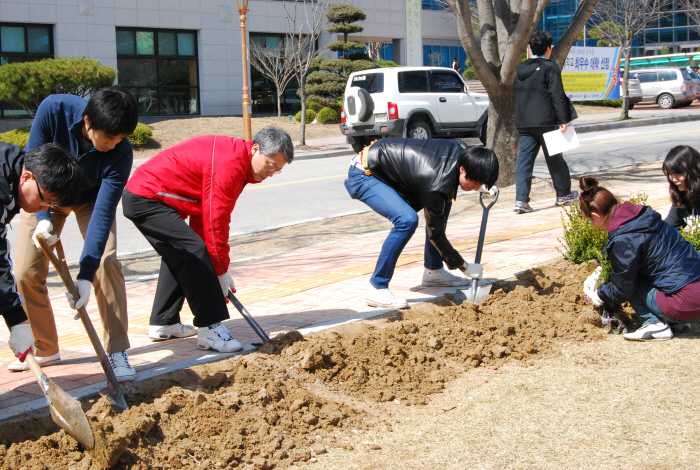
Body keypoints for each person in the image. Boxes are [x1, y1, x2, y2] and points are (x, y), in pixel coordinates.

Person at [122, 127, 294, 352]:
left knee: (181, 252)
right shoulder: (230, 163)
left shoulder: (239, 162)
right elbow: (216, 221)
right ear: (256, 149)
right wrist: (220, 271)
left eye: (277, 170)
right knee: (194, 252)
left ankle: (164, 322)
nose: (270, 173)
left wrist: (218, 267)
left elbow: (204, 217)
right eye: (271, 165)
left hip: (152, 196)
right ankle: (209, 329)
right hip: (147, 197)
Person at [10, 89, 139, 382]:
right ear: (87, 121)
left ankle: (117, 350)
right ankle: (46, 347)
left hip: (90, 200)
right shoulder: (53, 110)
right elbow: (31, 166)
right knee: (25, 271)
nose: (113, 145)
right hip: (47, 195)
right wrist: (43, 219)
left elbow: (104, 212)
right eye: (108, 138)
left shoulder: (121, 152)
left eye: (120, 139)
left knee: (105, 262)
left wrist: (85, 274)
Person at [344, 138, 499, 309]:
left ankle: (433, 271)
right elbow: (436, 234)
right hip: (365, 173)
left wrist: (484, 184)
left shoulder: (463, 152)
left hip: (392, 165)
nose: (476, 188)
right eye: (475, 183)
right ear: (462, 169)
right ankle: (377, 287)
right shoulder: (437, 182)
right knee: (406, 220)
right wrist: (464, 266)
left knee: (443, 202)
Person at [580, 176, 700, 341]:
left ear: (596, 215)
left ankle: (654, 324)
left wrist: (599, 295)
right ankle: (674, 322)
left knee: (629, 279)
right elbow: (621, 247)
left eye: (590, 220)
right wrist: (599, 269)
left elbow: (621, 288)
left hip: (683, 303)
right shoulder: (642, 217)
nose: (592, 225)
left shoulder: (624, 239)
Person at [0, 142, 82, 367]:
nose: (44, 207)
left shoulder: (12, 169)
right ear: (26, 178)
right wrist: (17, 320)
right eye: (45, 199)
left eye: (51, 204)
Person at [513, 31, 578, 214]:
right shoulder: (551, 67)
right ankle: (563, 194)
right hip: (547, 122)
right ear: (548, 48)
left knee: (524, 162)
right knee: (555, 160)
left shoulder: (520, 71)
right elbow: (556, 94)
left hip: (524, 123)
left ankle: (521, 201)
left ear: (530, 49)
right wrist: (564, 119)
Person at [662, 145, 700, 230]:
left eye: (678, 174)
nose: (674, 179)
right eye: (670, 174)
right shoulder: (682, 196)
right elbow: (668, 229)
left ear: (693, 172)